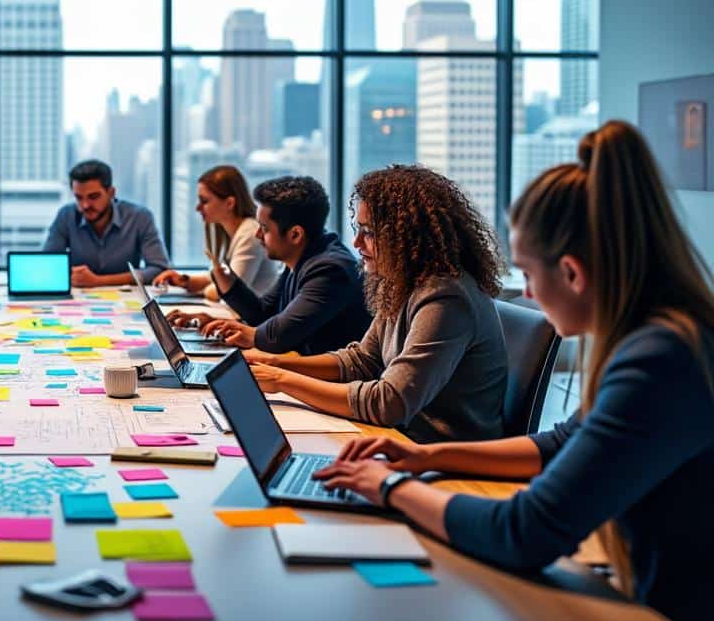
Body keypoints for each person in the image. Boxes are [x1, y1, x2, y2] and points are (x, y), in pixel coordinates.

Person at [315, 122, 714, 621]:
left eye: (527, 273)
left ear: (572, 272)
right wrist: (422, 456)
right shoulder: (664, 339)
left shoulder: (658, 361)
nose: (525, 294)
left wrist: (389, 487)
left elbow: (523, 532)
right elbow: (559, 443)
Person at [246, 165, 508, 443]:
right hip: (400, 440)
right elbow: (362, 361)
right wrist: (275, 364)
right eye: (358, 229)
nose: (357, 242)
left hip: (443, 457)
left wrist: (281, 381)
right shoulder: (402, 282)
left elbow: (389, 403)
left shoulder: (446, 297)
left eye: (368, 232)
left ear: (407, 236)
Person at [168, 175, 370, 356]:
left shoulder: (330, 270)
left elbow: (278, 336)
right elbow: (262, 313)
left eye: (264, 228)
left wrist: (240, 330)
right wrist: (219, 305)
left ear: (295, 235)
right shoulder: (302, 258)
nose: (257, 235)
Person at [153, 165, 276, 300]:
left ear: (229, 203)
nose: (198, 207)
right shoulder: (233, 232)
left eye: (204, 201)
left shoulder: (250, 234)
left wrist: (210, 290)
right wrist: (185, 281)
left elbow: (228, 290)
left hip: (254, 319)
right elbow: (217, 278)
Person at [43, 159, 172, 287]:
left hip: (125, 299)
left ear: (111, 193)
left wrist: (98, 281)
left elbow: (159, 269)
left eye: (93, 197)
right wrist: (68, 274)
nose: (85, 205)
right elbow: (47, 264)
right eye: (79, 197)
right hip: (77, 299)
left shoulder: (139, 217)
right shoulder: (66, 216)